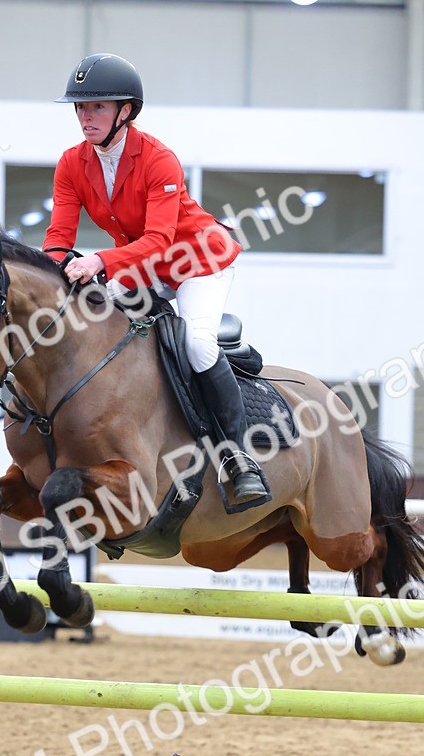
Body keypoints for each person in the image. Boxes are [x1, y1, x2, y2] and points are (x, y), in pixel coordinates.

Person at [43, 53, 270, 507]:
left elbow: (161, 237)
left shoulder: (159, 159)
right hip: (142, 266)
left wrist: (99, 262)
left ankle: (237, 459)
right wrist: (49, 283)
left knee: (197, 344)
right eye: (81, 108)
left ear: (125, 111)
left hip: (197, 261)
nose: (86, 118)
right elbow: (58, 237)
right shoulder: (71, 164)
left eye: (98, 108)